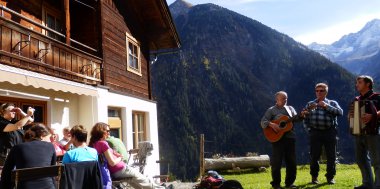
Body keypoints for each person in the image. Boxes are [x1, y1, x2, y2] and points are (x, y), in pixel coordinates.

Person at [89, 122, 164, 189]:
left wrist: (114, 153)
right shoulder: (103, 143)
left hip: (114, 172)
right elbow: (112, 162)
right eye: (107, 131)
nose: (109, 133)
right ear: (101, 131)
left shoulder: (94, 144)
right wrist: (119, 158)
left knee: (135, 181)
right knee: (143, 179)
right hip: (120, 169)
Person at [261, 91, 304, 189]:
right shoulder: (271, 110)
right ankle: (276, 184)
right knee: (277, 162)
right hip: (277, 139)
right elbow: (263, 122)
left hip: (290, 138)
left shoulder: (291, 109)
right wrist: (272, 124)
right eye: (283, 99)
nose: (285, 100)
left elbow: (296, 119)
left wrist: (302, 116)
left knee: (291, 161)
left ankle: (290, 183)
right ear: (277, 100)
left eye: (286, 98)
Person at [303, 83, 343, 185]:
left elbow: (340, 112)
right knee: (314, 156)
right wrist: (309, 130)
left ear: (326, 92)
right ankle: (314, 177)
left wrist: (326, 106)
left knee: (331, 156)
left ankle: (330, 177)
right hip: (315, 132)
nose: (319, 93)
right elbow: (305, 118)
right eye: (317, 91)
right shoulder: (310, 104)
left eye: (321, 91)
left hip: (330, 132)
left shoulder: (332, 103)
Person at [0, 123, 56, 189]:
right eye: (49, 137)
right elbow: (53, 171)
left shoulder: (17, 148)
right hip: (48, 186)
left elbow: (6, 173)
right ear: (42, 135)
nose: (50, 140)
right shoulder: (50, 146)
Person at [352, 76, 380, 189]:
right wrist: (351, 117)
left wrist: (373, 116)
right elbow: (353, 114)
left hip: (374, 132)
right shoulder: (357, 99)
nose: (357, 84)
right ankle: (367, 184)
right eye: (356, 82)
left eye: (359, 82)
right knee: (361, 159)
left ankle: (378, 185)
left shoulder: (377, 97)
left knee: (377, 160)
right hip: (359, 133)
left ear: (368, 84)